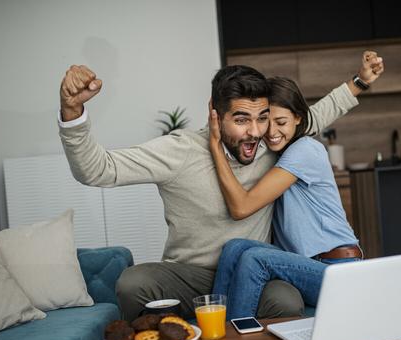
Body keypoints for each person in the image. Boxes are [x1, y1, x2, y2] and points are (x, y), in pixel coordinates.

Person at [57, 63, 359, 321]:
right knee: (133, 283)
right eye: (241, 120)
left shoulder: (271, 141)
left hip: (252, 271)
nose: (255, 131)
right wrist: (73, 112)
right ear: (215, 114)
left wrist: (360, 82)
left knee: (286, 301)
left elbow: (310, 116)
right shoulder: (179, 151)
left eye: (263, 117)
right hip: (189, 275)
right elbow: (98, 169)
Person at [210, 52, 384, 320]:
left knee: (255, 258)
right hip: (305, 263)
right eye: (268, 122)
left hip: (338, 268)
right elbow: (326, 108)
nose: (272, 132)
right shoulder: (275, 151)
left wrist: (216, 146)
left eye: (281, 123)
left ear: (299, 119)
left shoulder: (305, 149)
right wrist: (358, 81)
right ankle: (216, 324)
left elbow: (242, 206)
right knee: (235, 247)